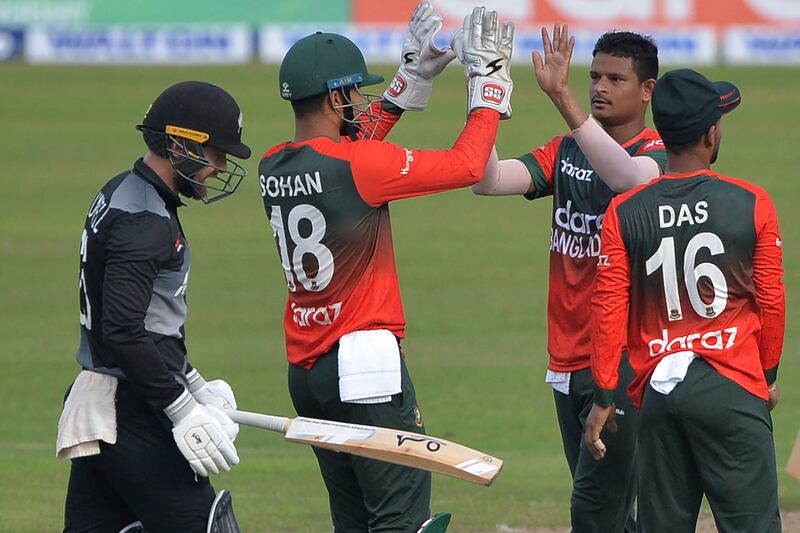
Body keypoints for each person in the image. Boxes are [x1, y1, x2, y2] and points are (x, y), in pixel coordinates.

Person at [258, 4, 513, 532]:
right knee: (398, 518)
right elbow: (467, 165)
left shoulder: (274, 164)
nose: (360, 101)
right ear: (335, 97)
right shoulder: (360, 166)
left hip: (307, 372)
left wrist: (407, 84)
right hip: (366, 366)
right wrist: (487, 86)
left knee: (352, 519)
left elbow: (347, 150)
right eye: (355, 92)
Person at [471, 25, 664, 532]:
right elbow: (486, 181)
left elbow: (626, 178)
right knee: (611, 508)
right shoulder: (566, 150)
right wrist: (484, 94)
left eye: (615, 79)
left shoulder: (659, 154)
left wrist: (562, 97)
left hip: (622, 359)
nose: (600, 86)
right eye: (595, 75)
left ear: (647, 90)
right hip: (566, 355)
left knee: (594, 508)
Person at [585, 68, 783, 532]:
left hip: (658, 392)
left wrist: (602, 394)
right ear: (711, 134)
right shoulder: (751, 202)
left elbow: (608, 307)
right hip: (731, 386)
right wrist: (767, 375)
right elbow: (771, 301)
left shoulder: (625, 209)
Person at [57, 80, 251, 533]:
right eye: (216, 154)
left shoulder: (124, 190)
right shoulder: (145, 222)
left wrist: (194, 381)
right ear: (180, 144)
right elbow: (123, 330)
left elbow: (150, 326)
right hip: (133, 407)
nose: (220, 167)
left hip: (111, 397)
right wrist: (181, 407)